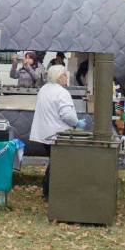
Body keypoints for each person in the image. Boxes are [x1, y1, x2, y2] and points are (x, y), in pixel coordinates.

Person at [28, 65, 86, 200]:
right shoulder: (62, 92)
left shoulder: (44, 89)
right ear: (59, 77)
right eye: (65, 75)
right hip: (57, 134)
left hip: (44, 133)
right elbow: (67, 115)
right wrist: (76, 123)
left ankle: (48, 191)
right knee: (57, 163)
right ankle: (50, 193)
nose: (67, 78)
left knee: (54, 162)